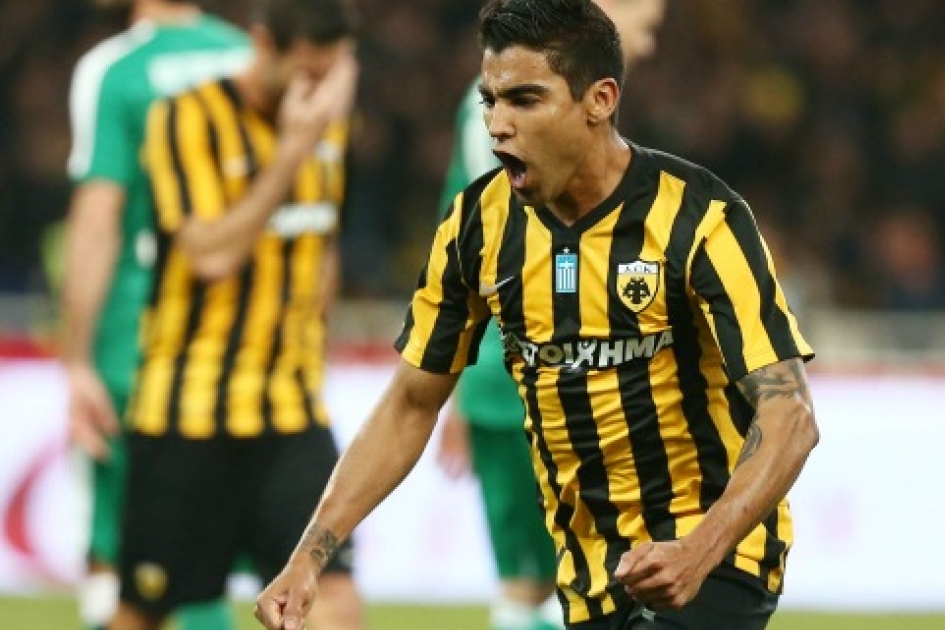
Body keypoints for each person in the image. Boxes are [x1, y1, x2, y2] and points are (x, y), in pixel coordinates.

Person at [257, 1, 819, 629]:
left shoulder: (700, 217)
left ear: (599, 100)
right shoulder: (477, 227)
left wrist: (699, 551)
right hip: (588, 581)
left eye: (525, 100)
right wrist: (307, 559)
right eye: (490, 101)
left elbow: (790, 413)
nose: (498, 125)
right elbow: (411, 402)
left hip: (713, 563)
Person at [106, 0, 364, 628]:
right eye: (307, 74)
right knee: (144, 610)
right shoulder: (187, 118)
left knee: (333, 600)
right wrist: (292, 152)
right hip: (187, 413)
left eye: (330, 74)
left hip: (292, 412)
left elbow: (322, 246)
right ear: (263, 45)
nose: (317, 92)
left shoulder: (329, 128)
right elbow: (210, 255)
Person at [433, 2, 665, 629]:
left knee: (564, 581)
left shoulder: (556, 101)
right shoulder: (510, 106)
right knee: (547, 581)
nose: (646, 45)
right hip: (526, 374)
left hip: (530, 374)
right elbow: (505, 244)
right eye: (646, 25)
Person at [60, 1, 251, 629]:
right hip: (246, 336)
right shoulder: (250, 55)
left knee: (116, 551)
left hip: (139, 336)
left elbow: (98, 220)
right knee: (207, 549)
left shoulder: (116, 69)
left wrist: (77, 358)